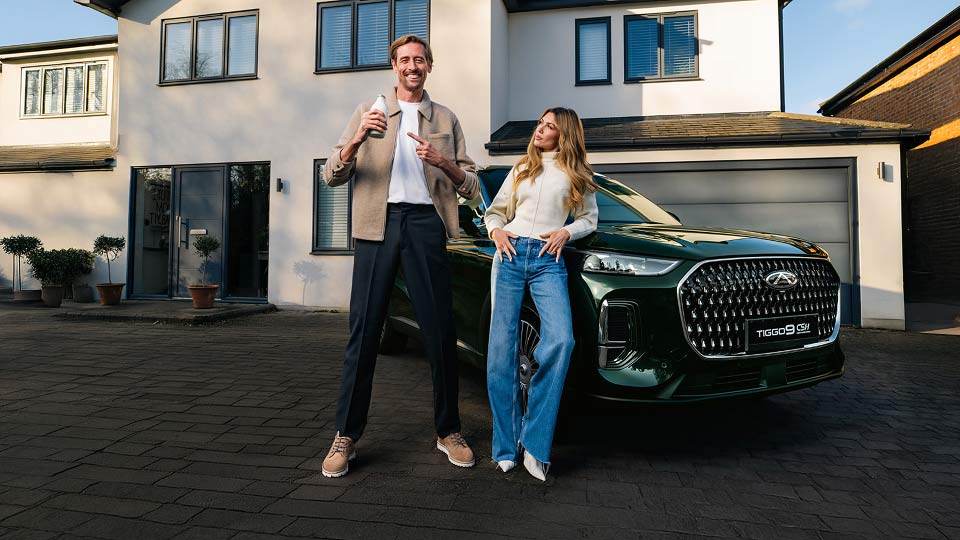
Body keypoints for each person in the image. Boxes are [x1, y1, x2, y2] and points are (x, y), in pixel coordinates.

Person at [321, 34, 481, 478]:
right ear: (395, 67)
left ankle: (449, 430)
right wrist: (356, 139)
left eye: (420, 59)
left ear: (429, 66)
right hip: (377, 226)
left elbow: (471, 186)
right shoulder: (369, 112)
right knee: (364, 331)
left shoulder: (445, 118)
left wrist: (444, 161)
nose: (412, 65)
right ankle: (346, 436)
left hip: (427, 224)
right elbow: (331, 174)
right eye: (404, 60)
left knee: (439, 330)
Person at [483, 107, 598, 481]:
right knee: (501, 350)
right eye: (540, 123)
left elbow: (588, 219)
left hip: (549, 260)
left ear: (563, 134)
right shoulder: (521, 169)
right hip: (511, 255)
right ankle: (504, 446)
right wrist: (496, 231)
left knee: (562, 341)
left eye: (549, 126)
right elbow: (495, 212)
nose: (540, 129)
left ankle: (535, 443)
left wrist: (567, 232)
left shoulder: (577, 174)